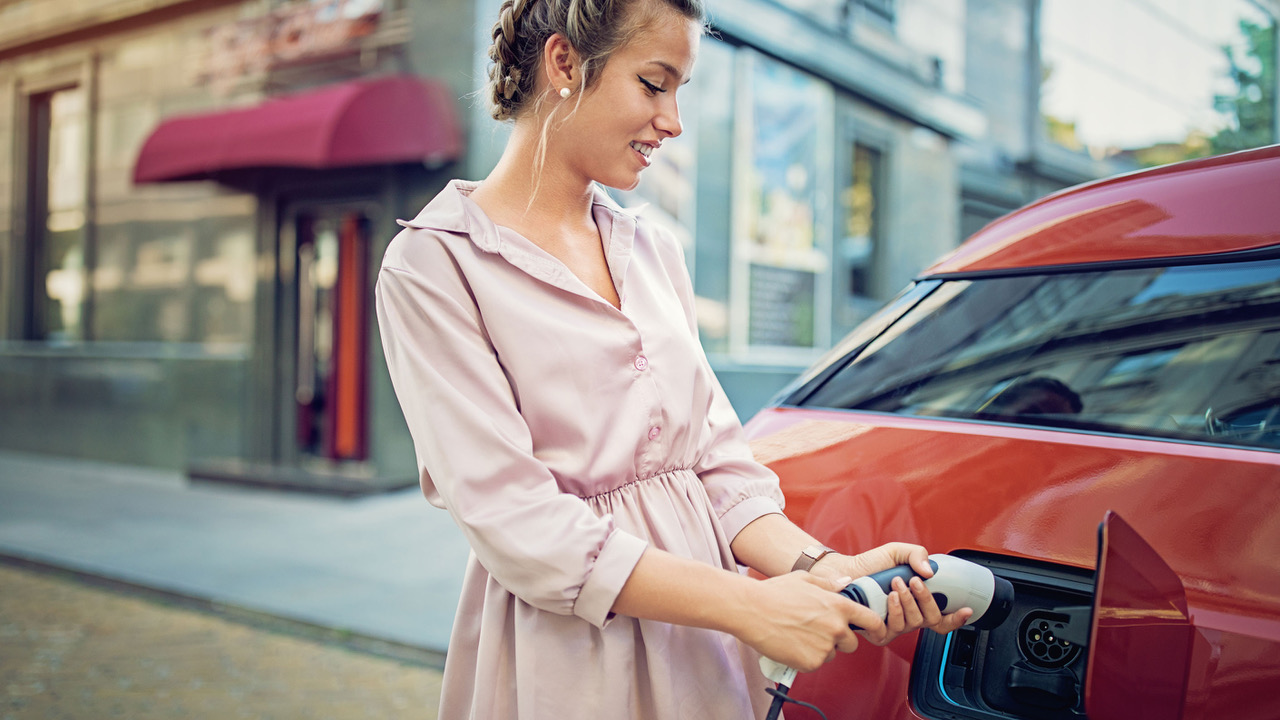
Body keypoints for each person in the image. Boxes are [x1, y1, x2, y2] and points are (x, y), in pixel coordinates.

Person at [374, 1, 970, 717]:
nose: (674, 121)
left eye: (680, 91)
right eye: (655, 84)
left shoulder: (651, 249)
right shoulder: (433, 266)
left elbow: (716, 463)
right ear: (563, 63)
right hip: (572, 655)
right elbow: (514, 519)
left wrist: (825, 571)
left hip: (707, 647)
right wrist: (749, 606)